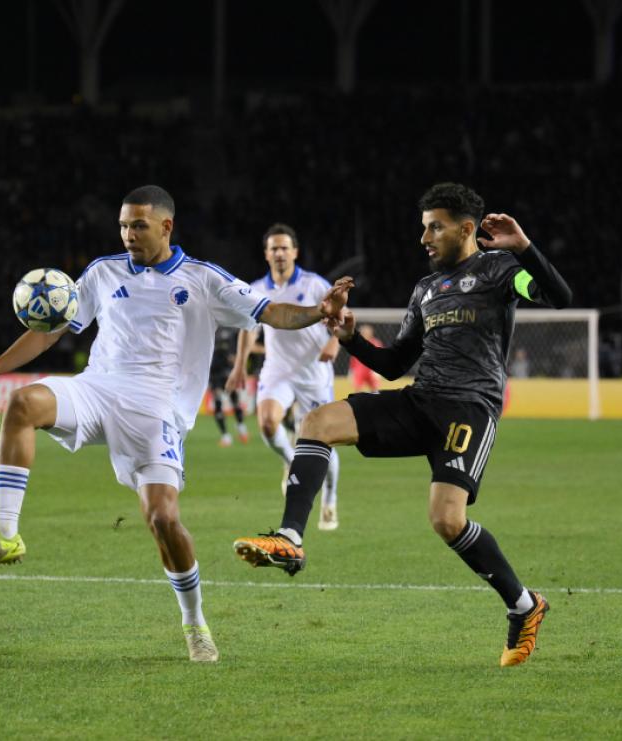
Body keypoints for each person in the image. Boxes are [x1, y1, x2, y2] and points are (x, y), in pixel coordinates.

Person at [0, 185, 353, 663]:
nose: (128, 235)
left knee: (163, 519)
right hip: (98, 389)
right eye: (123, 225)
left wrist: (318, 312)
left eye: (138, 225)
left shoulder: (203, 278)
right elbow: (51, 330)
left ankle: (194, 622)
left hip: (158, 409)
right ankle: (4, 535)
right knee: (22, 404)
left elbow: (272, 311)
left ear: (166, 226)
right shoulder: (103, 271)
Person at [233, 183, 572, 667]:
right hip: (420, 399)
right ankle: (290, 538)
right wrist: (350, 339)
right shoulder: (425, 290)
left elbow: (558, 295)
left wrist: (524, 248)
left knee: (446, 520)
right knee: (317, 421)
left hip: (469, 408)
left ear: (467, 229)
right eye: (424, 228)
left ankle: (524, 605)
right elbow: (394, 365)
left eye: (435, 228)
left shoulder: (501, 271)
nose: (424, 238)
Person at [227, 224, 342, 530]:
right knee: (266, 423)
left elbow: (340, 317)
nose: (279, 253)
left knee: (322, 440)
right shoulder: (256, 289)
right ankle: (291, 461)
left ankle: (330, 499)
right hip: (277, 369)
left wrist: (334, 342)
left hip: (313, 371)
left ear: (295, 252)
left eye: (284, 248)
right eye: (273, 248)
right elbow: (248, 329)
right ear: (266, 254)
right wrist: (239, 366)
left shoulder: (314, 284)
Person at [209, 327, 250, 447]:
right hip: (214, 373)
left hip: (228, 371)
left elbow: (241, 346)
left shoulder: (232, 330)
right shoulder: (211, 328)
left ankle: (241, 428)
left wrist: (237, 362)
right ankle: (226, 436)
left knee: (234, 400)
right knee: (218, 402)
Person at [349, 324, 384, 392]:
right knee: (357, 389)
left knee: (375, 389)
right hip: (359, 369)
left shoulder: (376, 343)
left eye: (366, 332)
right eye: (363, 332)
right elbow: (353, 359)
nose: (364, 334)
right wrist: (351, 371)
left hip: (372, 369)